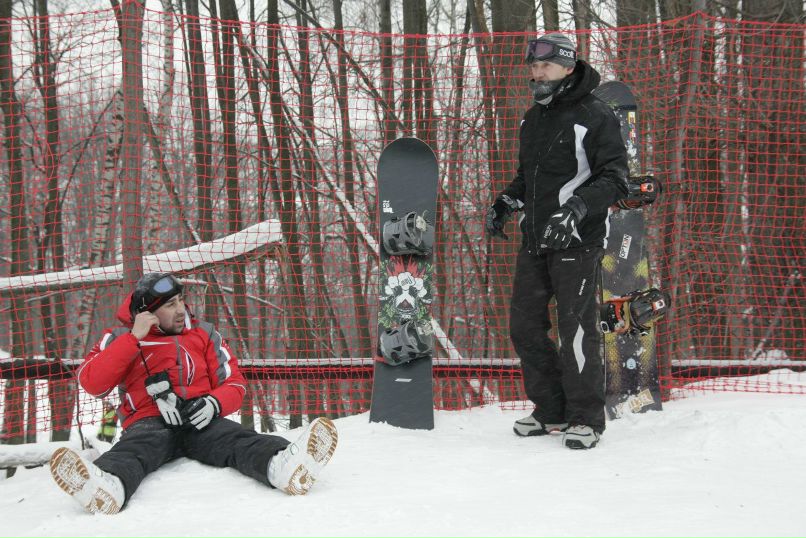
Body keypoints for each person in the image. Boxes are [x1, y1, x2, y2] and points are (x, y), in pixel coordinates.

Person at [50, 272, 338, 514]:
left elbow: (235, 382)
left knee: (235, 439)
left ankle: (283, 466)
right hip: (149, 423)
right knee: (137, 450)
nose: (180, 310)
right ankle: (106, 486)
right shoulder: (117, 338)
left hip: (200, 419)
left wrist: (214, 403)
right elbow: (91, 384)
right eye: (170, 305)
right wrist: (132, 339)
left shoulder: (204, 334)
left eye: (180, 301)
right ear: (147, 313)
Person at [485, 33, 629, 449]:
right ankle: (550, 409)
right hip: (536, 240)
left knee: (577, 329)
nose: (537, 73)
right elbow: (529, 177)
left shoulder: (595, 114)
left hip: (578, 241)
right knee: (524, 327)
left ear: (568, 67)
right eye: (533, 66)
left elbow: (615, 177)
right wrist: (506, 200)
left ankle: (585, 417)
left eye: (545, 65)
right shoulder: (533, 118)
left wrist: (577, 209)